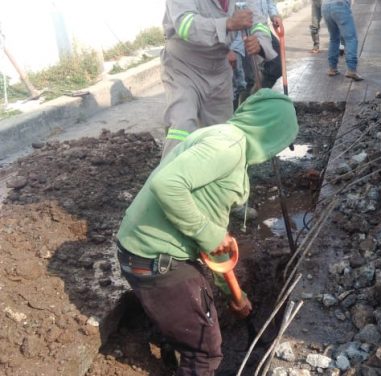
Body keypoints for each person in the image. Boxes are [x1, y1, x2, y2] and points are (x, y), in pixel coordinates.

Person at [116, 89, 299, 376]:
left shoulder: (226, 140)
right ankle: (183, 353)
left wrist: (231, 293)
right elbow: (167, 185)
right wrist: (208, 232)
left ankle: (172, 344)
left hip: (147, 253)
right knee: (205, 351)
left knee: (194, 310)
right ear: (272, 134)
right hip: (154, 258)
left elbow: (213, 242)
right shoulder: (229, 146)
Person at [160, 0, 274, 158]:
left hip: (218, 68)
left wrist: (259, 43)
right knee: (182, 124)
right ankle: (170, 179)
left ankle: (216, 178)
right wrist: (228, 23)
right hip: (183, 67)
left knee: (221, 134)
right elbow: (185, 24)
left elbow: (258, 22)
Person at [322, 0, 364, 81]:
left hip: (325, 6)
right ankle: (351, 70)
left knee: (333, 38)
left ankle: (332, 68)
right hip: (340, 4)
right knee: (351, 39)